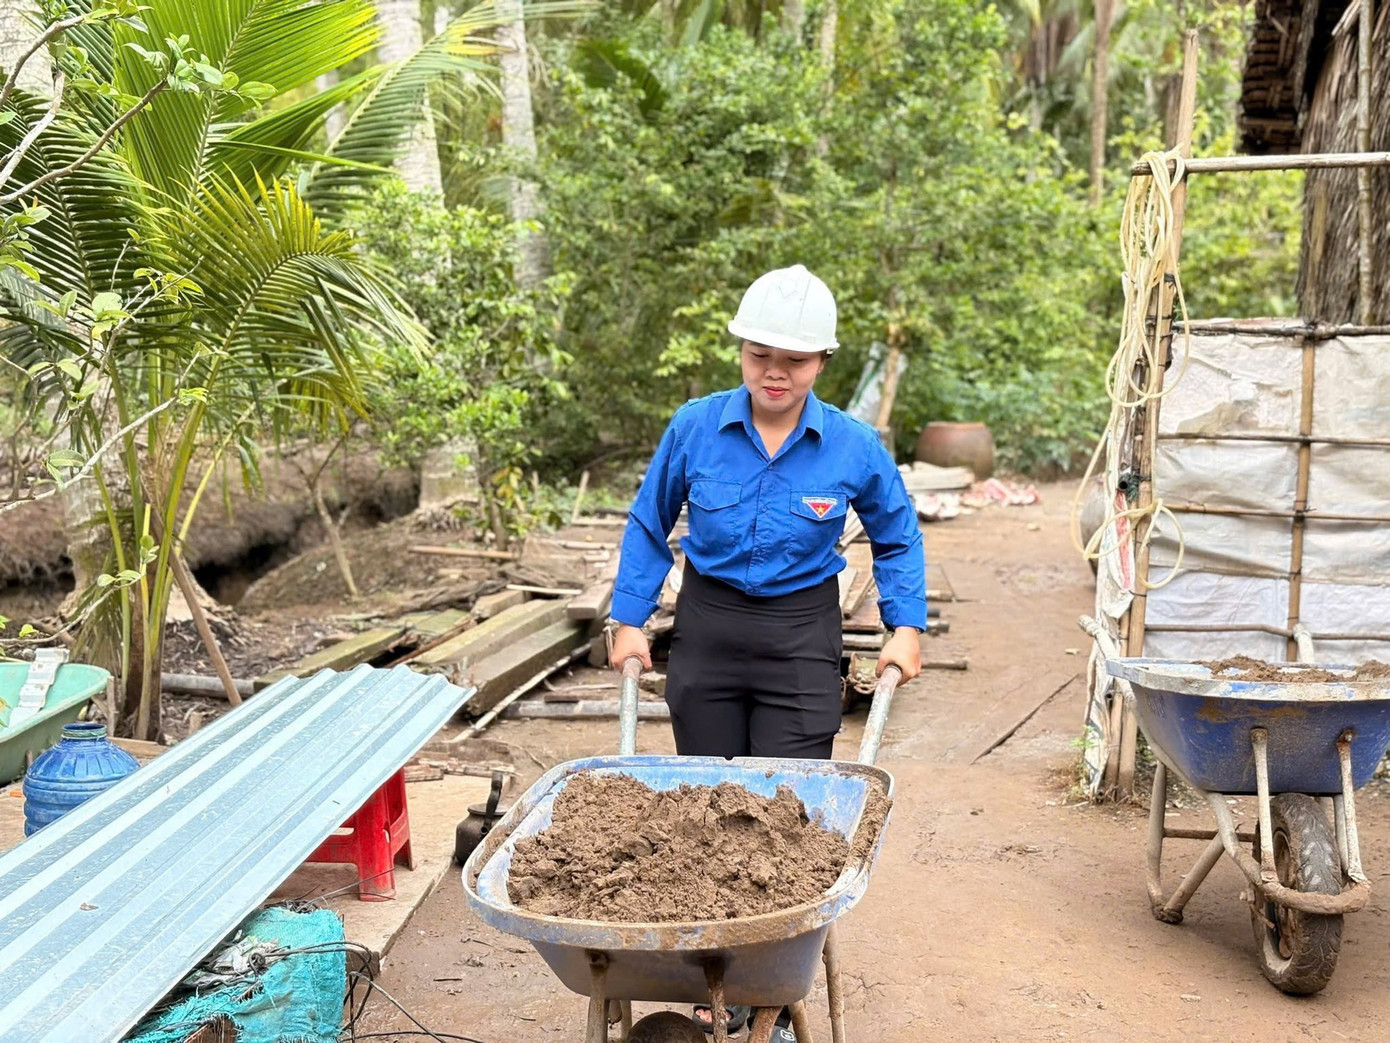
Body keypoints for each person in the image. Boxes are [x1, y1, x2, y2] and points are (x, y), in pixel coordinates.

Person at [606, 264, 927, 1038]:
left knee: (787, 816)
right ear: (742, 352)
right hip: (709, 630)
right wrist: (628, 618)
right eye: (759, 355)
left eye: (793, 359)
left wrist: (905, 624)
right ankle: (708, 976)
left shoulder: (851, 445)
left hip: (799, 637)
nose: (774, 373)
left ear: (822, 363)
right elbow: (652, 524)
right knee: (708, 811)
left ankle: (769, 1002)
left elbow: (897, 533)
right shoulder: (695, 426)